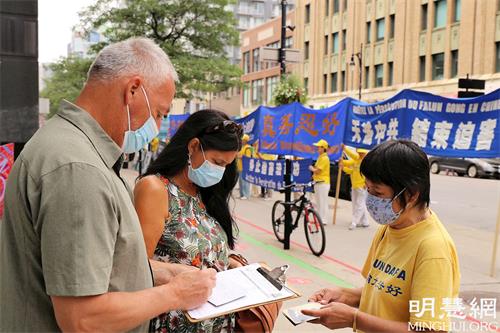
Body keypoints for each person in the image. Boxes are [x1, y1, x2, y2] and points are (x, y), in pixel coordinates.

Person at [0, 37, 216, 333]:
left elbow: (100, 266)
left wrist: (168, 273)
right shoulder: (78, 169)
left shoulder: (68, 146)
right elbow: (83, 318)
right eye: (159, 113)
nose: (156, 126)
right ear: (133, 90)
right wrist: (175, 295)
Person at [303, 140, 460, 333]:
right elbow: (381, 291)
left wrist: (354, 319)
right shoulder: (390, 227)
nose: (371, 200)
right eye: (368, 190)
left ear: (411, 195)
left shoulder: (433, 249)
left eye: (377, 192)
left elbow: (430, 330)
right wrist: (344, 295)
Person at [134, 110, 243, 332]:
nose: (220, 171)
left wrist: (234, 264)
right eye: (216, 162)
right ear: (193, 146)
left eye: (225, 165)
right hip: (175, 322)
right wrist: (182, 275)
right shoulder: (155, 189)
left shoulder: (204, 192)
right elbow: (136, 266)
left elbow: (198, 253)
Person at [341, 144, 370, 230]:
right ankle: (365, 222)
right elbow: (351, 170)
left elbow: (370, 175)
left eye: (362, 153)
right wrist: (343, 167)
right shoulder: (356, 160)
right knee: (356, 204)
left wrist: (345, 148)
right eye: (360, 153)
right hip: (354, 185)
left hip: (362, 186)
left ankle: (354, 222)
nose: (361, 154)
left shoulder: (367, 163)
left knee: (359, 204)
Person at [309, 139, 331, 225]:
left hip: (323, 183)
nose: (317, 148)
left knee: (322, 202)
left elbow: (318, 170)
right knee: (319, 202)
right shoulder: (321, 157)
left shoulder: (325, 158)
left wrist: (311, 168)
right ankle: (319, 219)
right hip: (318, 182)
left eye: (319, 147)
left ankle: (323, 220)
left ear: (323, 148)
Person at [237, 134, 253, 200]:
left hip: (245, 167)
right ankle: (241, 194)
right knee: (240, 182)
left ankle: (246, 195)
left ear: (246, 140)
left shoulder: (248, 147)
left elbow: (248, 157)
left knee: (245, 182)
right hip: (240, 167)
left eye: (243, 140)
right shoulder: (242, 147)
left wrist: (240, 156)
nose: (242, 141)